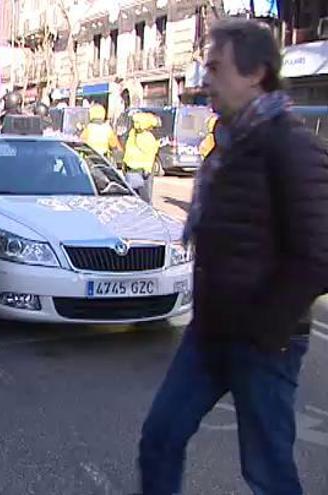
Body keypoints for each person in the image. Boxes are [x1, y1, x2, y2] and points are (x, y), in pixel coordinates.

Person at [138, 19, 328, 495]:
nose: (205, 82)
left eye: (216, 68)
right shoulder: (229, 143)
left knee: (267, 473)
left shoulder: (290, 144)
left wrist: (267, 329)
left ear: (256, 72)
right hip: (211, 331)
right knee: (160, 438)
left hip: (263, 340)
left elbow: (317, 254)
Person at [121, 112, 160, 203]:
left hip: (130, 168)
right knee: (145, 198)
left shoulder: (132, 134)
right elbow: (150, 154)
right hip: (144, 171)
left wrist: (124, 164)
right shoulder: (148, 137)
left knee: (132, 196)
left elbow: (128, 150)